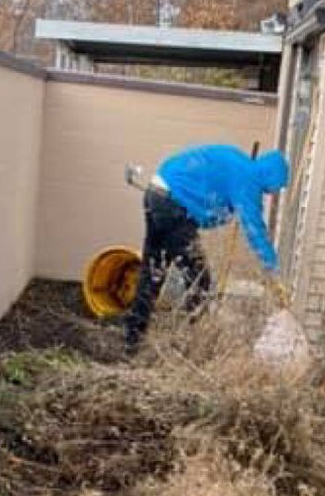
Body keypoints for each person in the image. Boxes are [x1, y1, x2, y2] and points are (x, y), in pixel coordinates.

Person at [122, 144, 291, 351]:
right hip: (174, 203)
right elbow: (255, 230)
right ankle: (190, 343)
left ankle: (132, 339)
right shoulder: (248, 180)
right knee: (199, 281)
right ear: (271, 175)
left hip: (156, 192)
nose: (275, 192)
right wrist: (272, 269)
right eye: (278, 186)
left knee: (154, 270)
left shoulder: (239, 162)